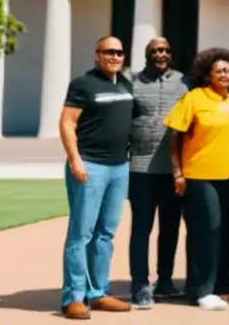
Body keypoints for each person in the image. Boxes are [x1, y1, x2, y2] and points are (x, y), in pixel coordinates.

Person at [164, 47, 229, 311]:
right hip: (201, 176)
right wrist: (177, 173)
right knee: (207, 231)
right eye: (219, 70)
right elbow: (174, 136)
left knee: (224, 233)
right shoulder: (194, 98)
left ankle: (212, 287)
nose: (225, 74)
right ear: (207, 75)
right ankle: (201, 290)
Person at [59, 36, 137, 319]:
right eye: (109, 52)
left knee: (105, 234)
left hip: (119, 167)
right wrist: (75, 159)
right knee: (81, 234)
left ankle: (99, 292)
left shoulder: (126, 85)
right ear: (97, 56)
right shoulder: (83, 84)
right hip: (90, 166)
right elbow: (67, 123)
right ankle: (74, 297)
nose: (115, 56)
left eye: (119, 52)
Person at [127, 37, 188, 309]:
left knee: (171, 228)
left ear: (171, 54)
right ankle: (140, 283)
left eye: (165, 50)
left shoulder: (184, 83)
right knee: (142, 227)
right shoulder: (133, 82)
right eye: (155, 51)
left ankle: (165, 280)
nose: (160, 54)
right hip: (140, 168)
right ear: (147, 55)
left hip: (174, 169)